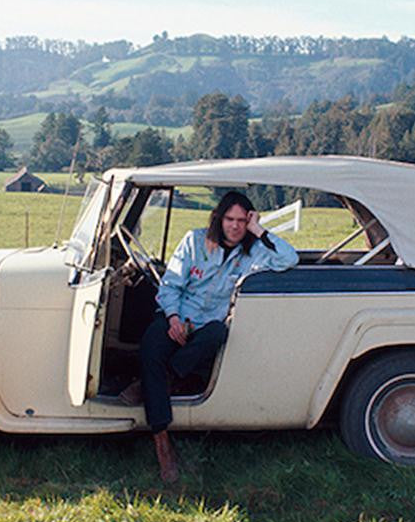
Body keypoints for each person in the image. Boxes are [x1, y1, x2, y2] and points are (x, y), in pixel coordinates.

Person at [124, 190, 298, 482]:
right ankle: (161, 439)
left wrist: (258, 229)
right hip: (178, 314)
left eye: (242, 221)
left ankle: (162, 380)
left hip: (209, 325)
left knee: (217, 334)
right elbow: (171, 284)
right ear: (219, 218)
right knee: (151, 346)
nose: (235, 226)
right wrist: (173, 319)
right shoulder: (195, 241)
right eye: (230, 219)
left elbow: (288, 259)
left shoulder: (254, 251)